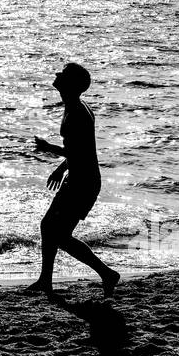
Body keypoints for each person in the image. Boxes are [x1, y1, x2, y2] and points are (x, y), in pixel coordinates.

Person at [27, 63, 119, 296]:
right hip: (78, 178)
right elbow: (80, 149)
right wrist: (61, 169)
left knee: (57, 233)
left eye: (63, 74)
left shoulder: (77, 112)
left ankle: (106, 273)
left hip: (83, 183)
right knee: (50, 228)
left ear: (70, 84)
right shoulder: (73, 106)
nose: (57, 74)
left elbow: (79, 153)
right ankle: (46, 280)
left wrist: (48, 148)